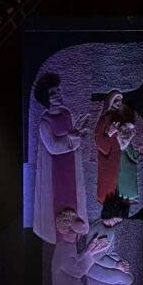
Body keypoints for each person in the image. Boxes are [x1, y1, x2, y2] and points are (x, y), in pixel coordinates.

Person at [31, 72, 89, 244]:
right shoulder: (45, 122)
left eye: (57, 90)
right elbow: (53, 147)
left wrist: (76, 136)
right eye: (52, 93)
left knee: (74, 196)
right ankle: (61, 231)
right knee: (59, 200)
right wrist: (70, 139)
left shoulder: (66, 113)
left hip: (71, 166)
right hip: (56, 170)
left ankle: (75, 228)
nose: (57, 94)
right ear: (46, 98)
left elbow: (74, 138)